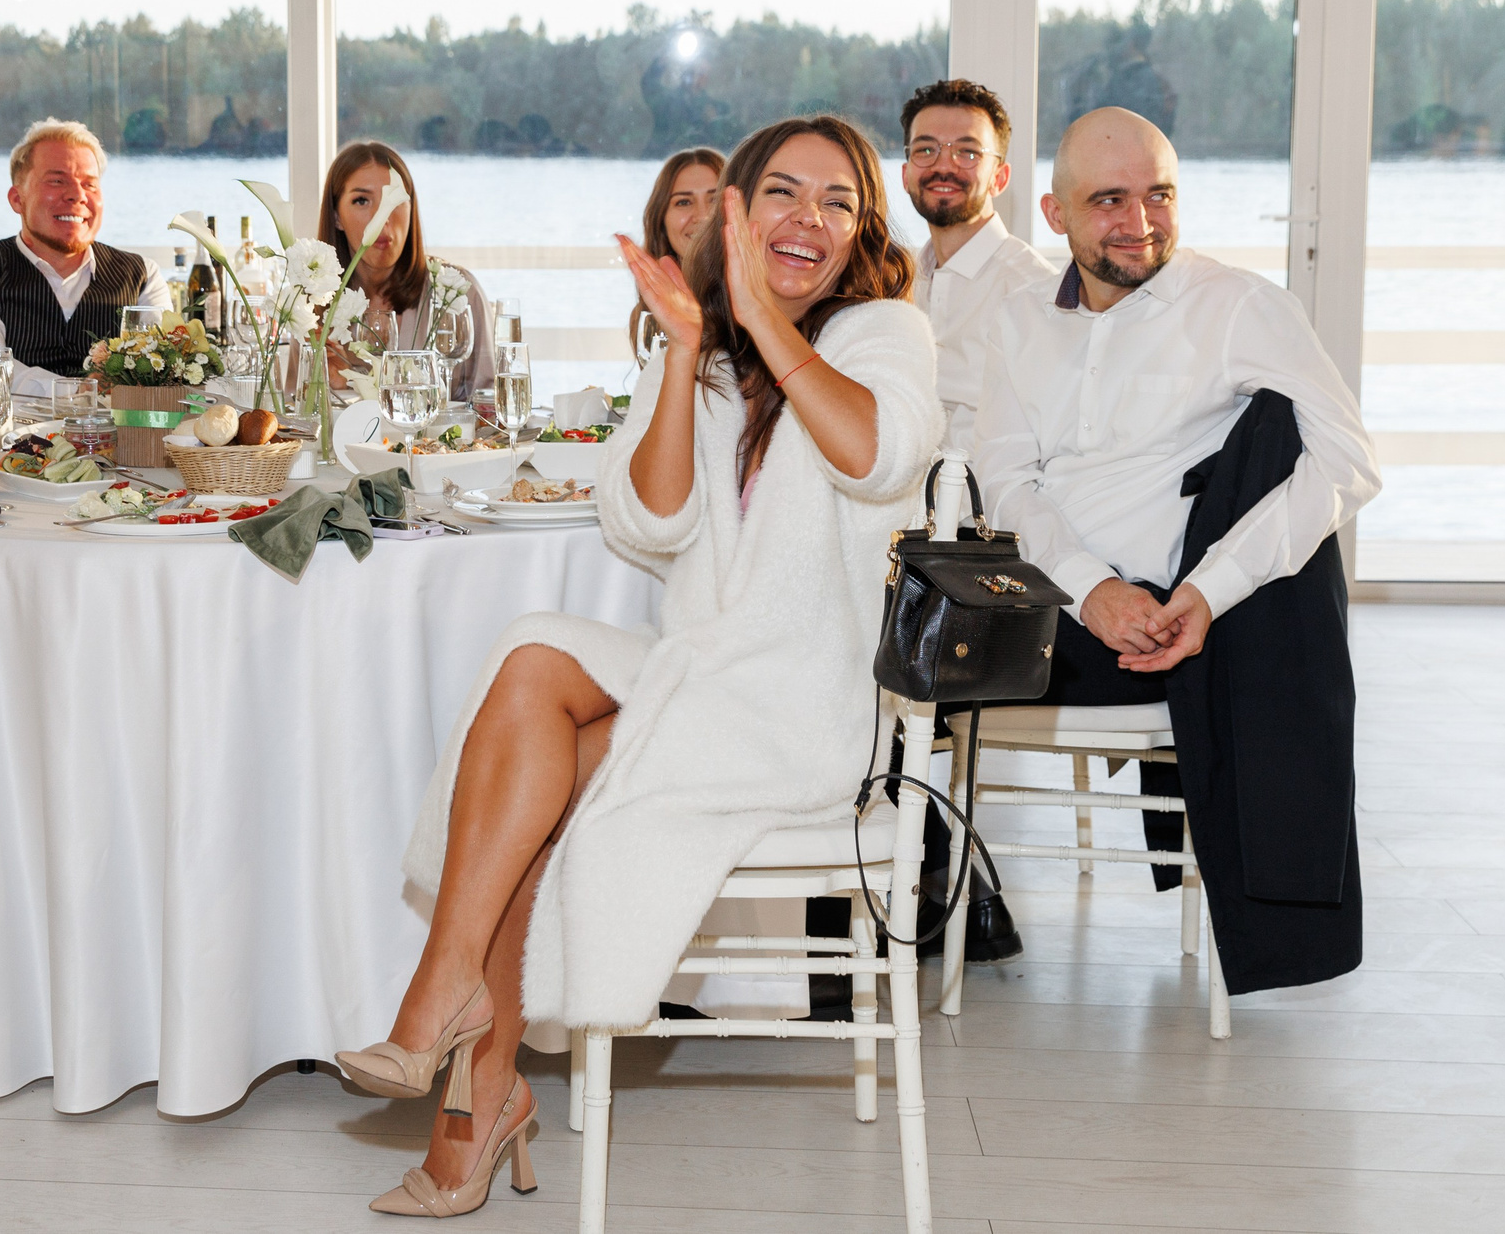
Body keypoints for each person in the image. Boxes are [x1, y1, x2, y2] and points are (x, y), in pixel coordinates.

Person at [336, 116, 939, 1216]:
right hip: (700, 673)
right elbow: (650, 523)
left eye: (838, 202)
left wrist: (760, 317)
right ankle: (458, 1019)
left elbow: (876, 452)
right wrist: (682, 348)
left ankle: (459, 1066)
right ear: (738, 214)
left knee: (543, 785)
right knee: (529, 657)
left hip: (806, 707)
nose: (808, 217)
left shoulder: (884, 334)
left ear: (859, 234)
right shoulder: (706, 352)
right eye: (783, 195)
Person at [971, 106, 1380, 991]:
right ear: (1055, 214)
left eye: (1159, 195)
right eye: (1109, 200)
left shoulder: (1238, 306)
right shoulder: (1017, 319)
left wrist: (1210, 588)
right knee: (889, 656)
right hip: (1058, 604)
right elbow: (1005, 482)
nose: (1140, 222)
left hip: (1181, 625)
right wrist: (1090, 589)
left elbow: (1350, 460)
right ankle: (926, 897)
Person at [0, 117, 173, 399]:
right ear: (17, 199)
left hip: (110, 443)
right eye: (57, 181)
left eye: (90, 184)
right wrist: (79, 390)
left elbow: (161, 369)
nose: (77, 195)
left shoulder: (142, 275)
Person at [899, 80, 1058, 455]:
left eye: (967, 153)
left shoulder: (1035, 293)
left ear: (999, 178)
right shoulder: (896, 284)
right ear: (906, 174)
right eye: (926, 149)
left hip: (983, 511)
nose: (944, 165)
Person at [318, 140, 494, 401]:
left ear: (412, 209)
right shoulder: (314, 305)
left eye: (395, 200)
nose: (382, 216)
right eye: (362, 200)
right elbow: (296, 423)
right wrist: (331, 385)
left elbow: (491, 409)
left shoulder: (458, 294)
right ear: (336, 217)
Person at [627, 145, 727, 361]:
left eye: (715, 199)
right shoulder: (648, 317)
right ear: (661, 222)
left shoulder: (764, 306)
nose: (702, 216)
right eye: (684, 202)